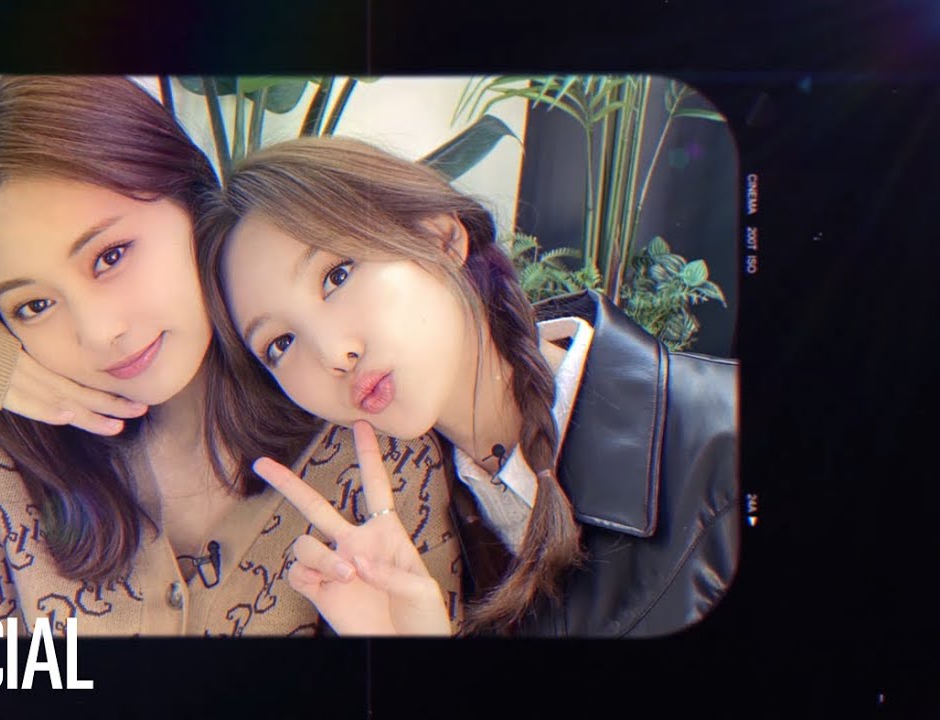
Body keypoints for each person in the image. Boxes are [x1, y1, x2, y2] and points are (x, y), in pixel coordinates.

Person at [0, 77, 462, 637]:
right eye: (34, 305)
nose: (100, 333)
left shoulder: (366, 446)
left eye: (111, 256)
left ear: (192, 203)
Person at [198, 136, 740, 637]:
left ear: (439, 235)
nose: (333, 356)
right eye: (280, 344)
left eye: (337, 275)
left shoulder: (723, 450)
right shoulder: (426, 528)